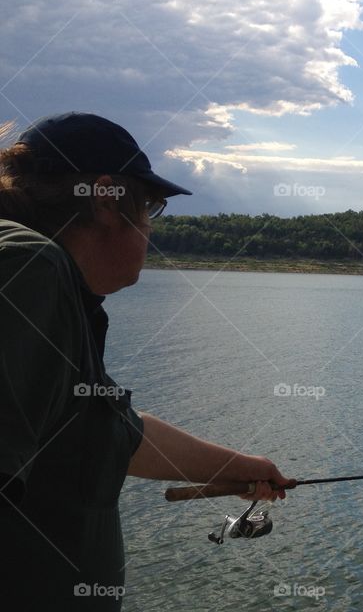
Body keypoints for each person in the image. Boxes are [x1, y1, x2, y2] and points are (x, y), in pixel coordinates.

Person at [0, 112, 292, 610]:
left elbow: (113, 433)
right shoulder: (30, 269)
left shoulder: (51, 289)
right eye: (150, 209)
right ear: (106, 199)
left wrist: (243, 467)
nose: (150, 233)